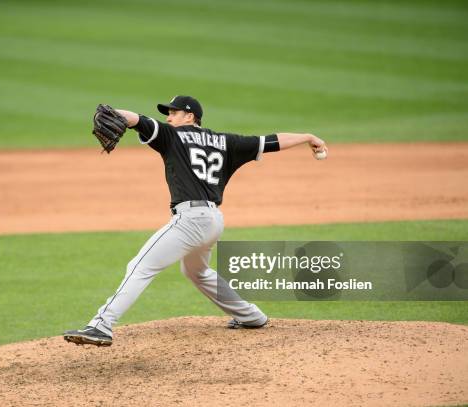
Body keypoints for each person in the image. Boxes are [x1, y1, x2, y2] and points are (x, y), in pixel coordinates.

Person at [64, 95, 327, 346]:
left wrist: (114, 113)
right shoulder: (226, 141)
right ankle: (251, 316)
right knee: (196, 271)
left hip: (190, 221)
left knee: (140, 266)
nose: (168, 118)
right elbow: (271, 141)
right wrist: (307, 136)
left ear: (190, 116)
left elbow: (136, 120)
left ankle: (101, 325)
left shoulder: (171, 136)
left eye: (173, 112)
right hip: (213, 221)